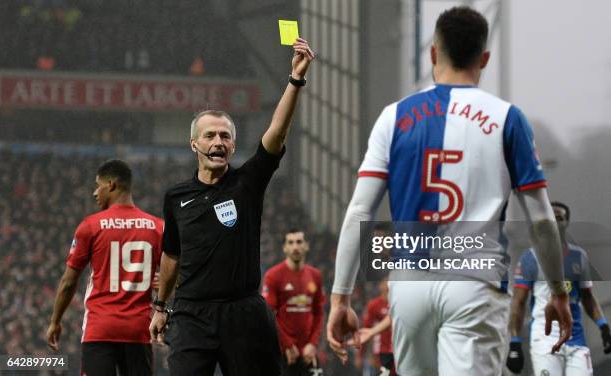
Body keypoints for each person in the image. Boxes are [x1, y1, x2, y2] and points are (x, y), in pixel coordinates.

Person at [326, 6, 572, 376]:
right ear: (484, 58)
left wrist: (340, 296)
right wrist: (558, 291)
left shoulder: (393, 117)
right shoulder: (508, 119)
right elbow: (540, 218)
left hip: (408, 286)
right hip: (475, 283)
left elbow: (359, 211)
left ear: (433, 53)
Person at [149, 38, 314, 376]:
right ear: (194, 143)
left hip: (245, 313)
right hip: (192, 314)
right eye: (210, 135)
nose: (218, 142)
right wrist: (160, 307)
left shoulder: (247, 183)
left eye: (225, 136)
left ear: (233, 144)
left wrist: (295, 80)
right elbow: (171, 257)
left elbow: (276, 133)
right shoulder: (176, 197)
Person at [46, 159, 163, 376]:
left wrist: (55, 321)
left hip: (100, 329)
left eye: (97, 185)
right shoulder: (157, 227)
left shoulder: (91, 225)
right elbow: (175, 273)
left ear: (111, 185)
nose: (94, 192)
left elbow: (68, 282)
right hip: (138, 330)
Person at [507, 201, 611, 375]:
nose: (555, 222)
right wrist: (515, 342)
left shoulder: (579, 256)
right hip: (544, 340)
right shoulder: (530, 258)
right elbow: (518, 302)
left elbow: (588, 298)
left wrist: (604, 328)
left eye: (559, 218)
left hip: (576, 340)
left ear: (567, 222)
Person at [262, 229, 325, 376]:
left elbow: (318, 313)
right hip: (284, 354)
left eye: (299, 242)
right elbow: (268, 315)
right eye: (290, 242)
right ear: (284, 247)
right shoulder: (273, 276)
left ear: (306, 246)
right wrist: (287, 345)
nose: (295, 247)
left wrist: (312, 344)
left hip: (308, 352)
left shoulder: (315, 276)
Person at [357, 279, 396, 376]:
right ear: (380, 286)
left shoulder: (400, 304)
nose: (388, 285)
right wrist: (360, 355)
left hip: (399, 350)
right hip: (381, 352)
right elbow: (366, 331)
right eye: (385, 282)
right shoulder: (374, 305)